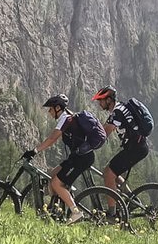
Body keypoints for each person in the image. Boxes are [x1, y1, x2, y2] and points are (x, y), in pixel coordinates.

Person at [24, 94, 104, 222]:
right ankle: (55, 208)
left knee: (57, 183)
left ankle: (75, 212)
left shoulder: (65, 119)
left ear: (58, 108)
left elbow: (51, 139)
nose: (49, 113)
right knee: (52, 176)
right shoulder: (68, 118)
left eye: (50, 109)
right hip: (76, 157)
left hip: (82, 158)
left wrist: (34, 151)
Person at [92, 86, 153, 197]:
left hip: (136, 148)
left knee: (108, 174)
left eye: (100, 100)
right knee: (110, 173)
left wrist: (89, 145)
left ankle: (112, 212)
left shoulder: (117, 113)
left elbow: (104, 133)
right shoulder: (119, 109)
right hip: (136, 147)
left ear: (109, 100)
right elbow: (103, 128)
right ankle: (131, 200)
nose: (99, 103)